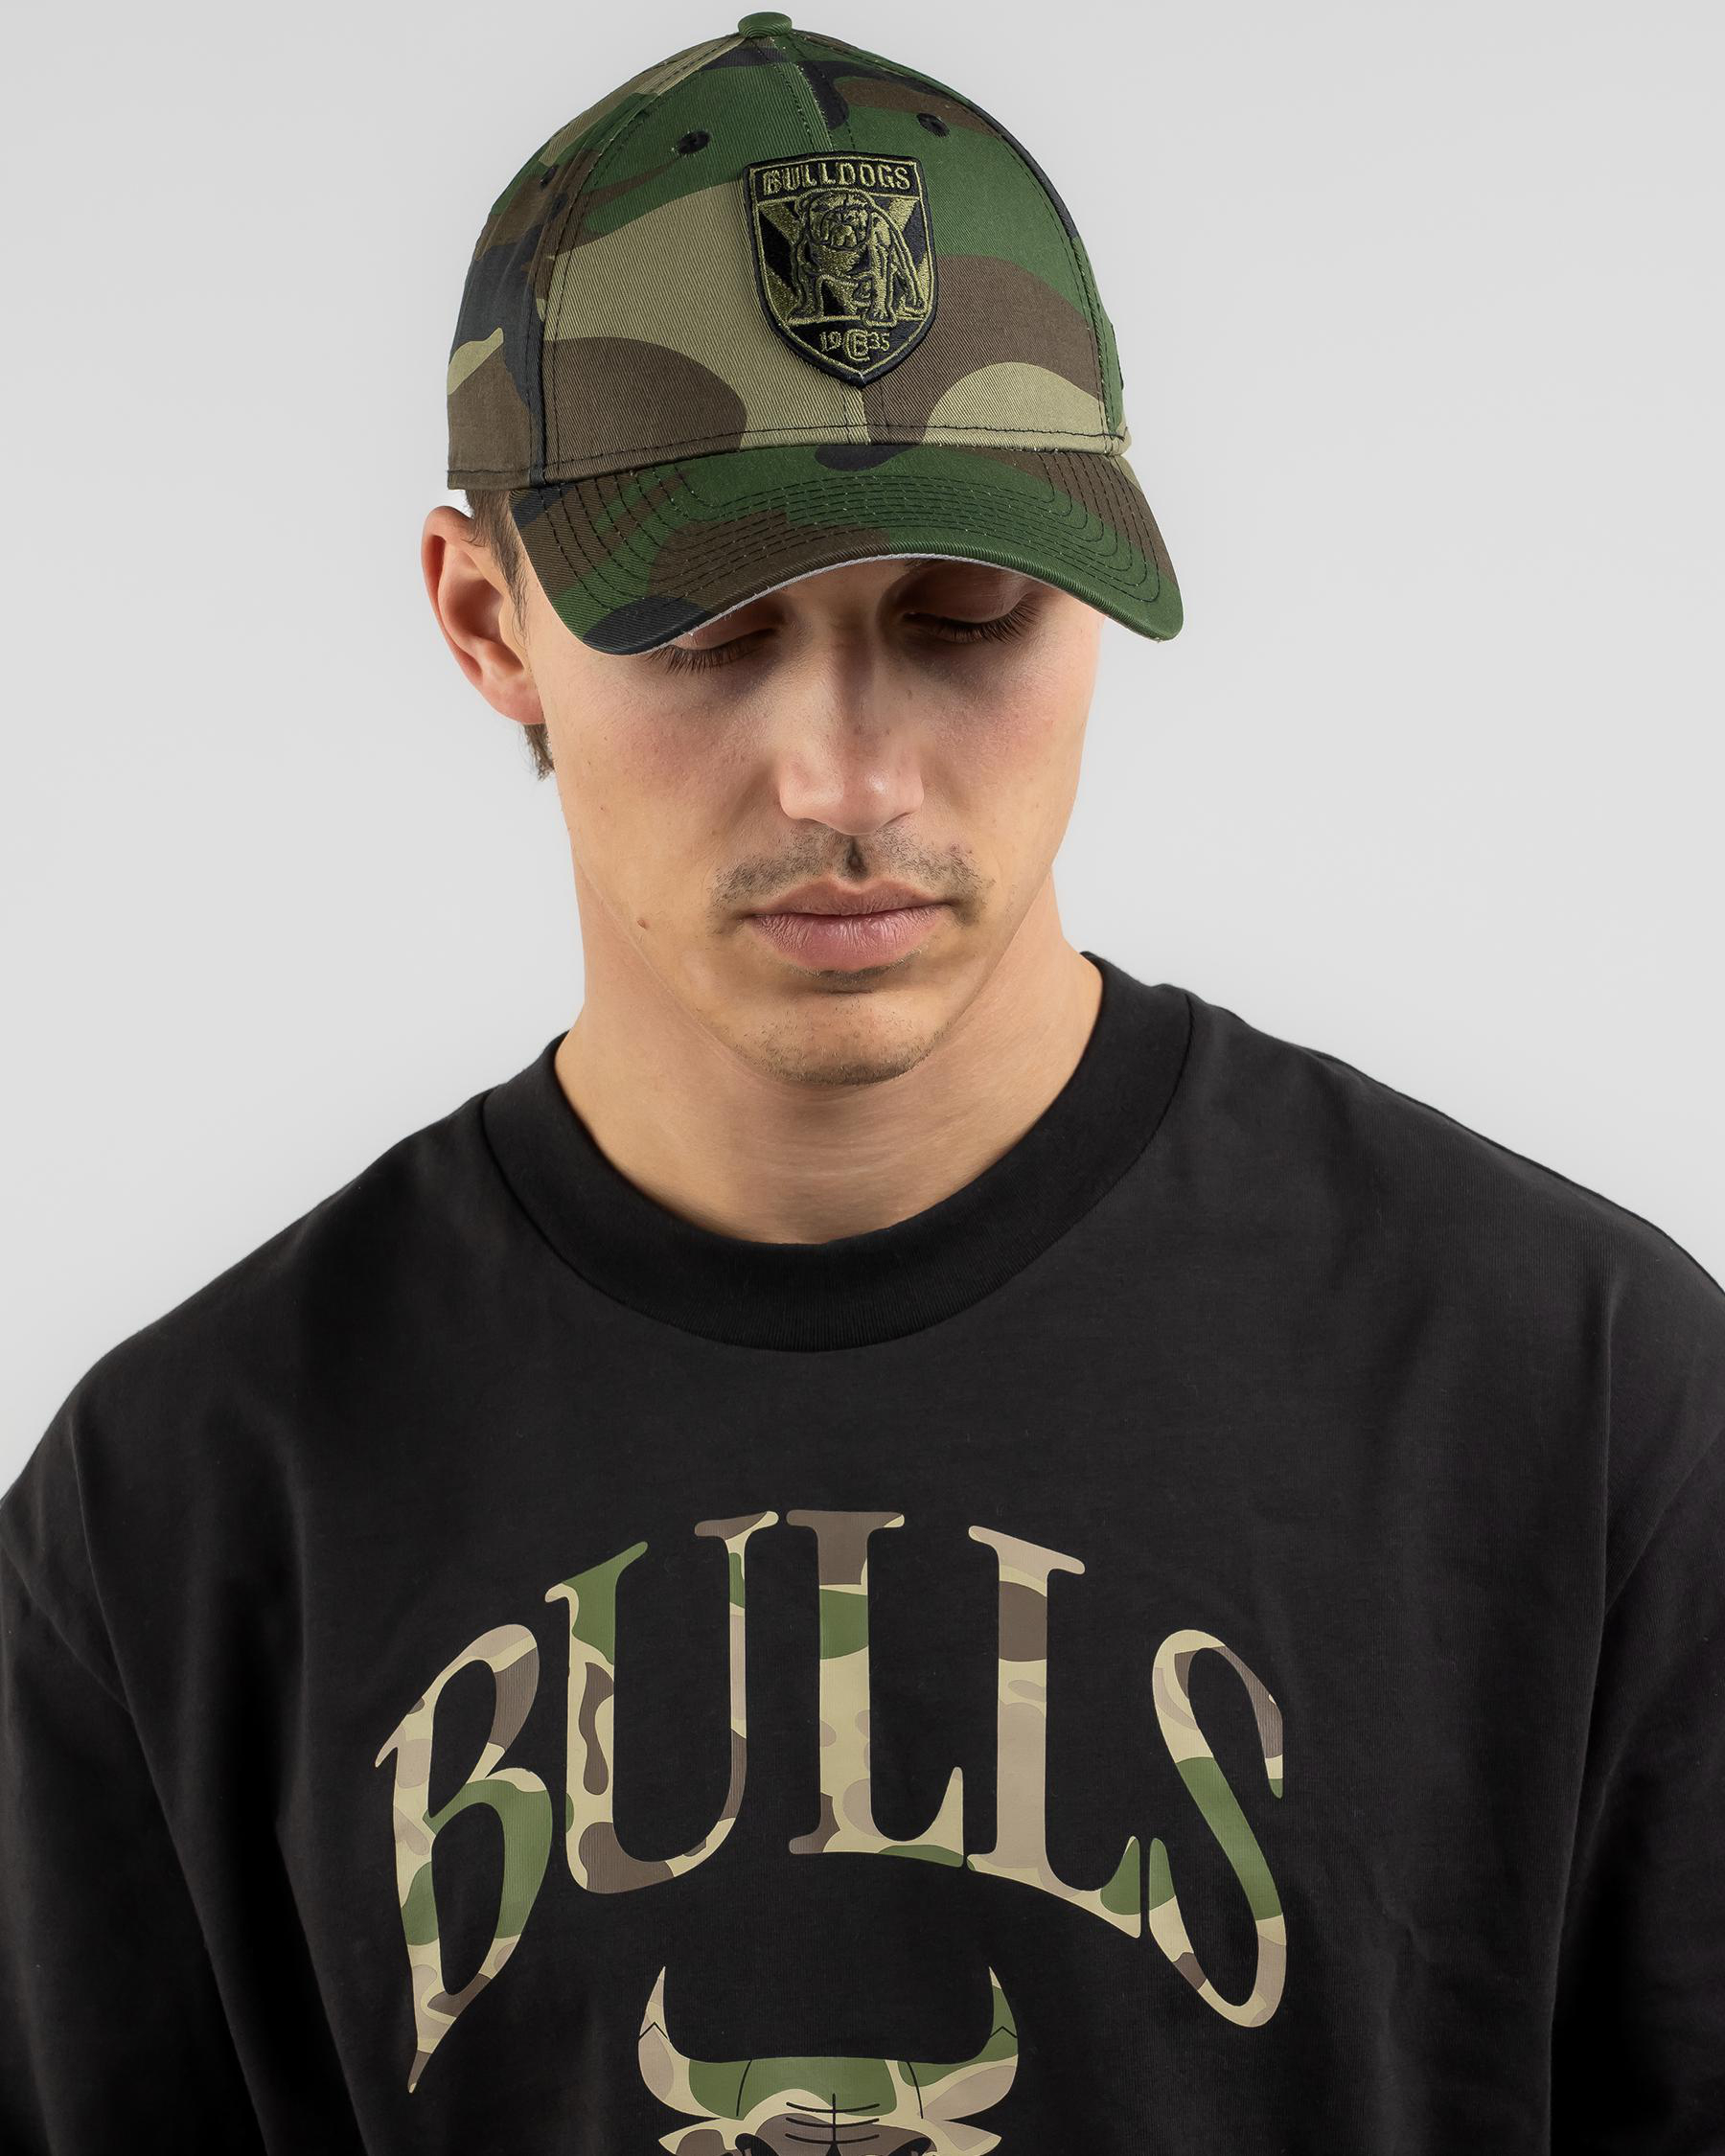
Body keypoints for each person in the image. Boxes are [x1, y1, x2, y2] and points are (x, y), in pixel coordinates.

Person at [3, 11, 1721, 2152]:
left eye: (968, 613)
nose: (847, 779)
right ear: (486, 618)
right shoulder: (182, 1511)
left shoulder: (1576, 1401)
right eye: (709, 633)